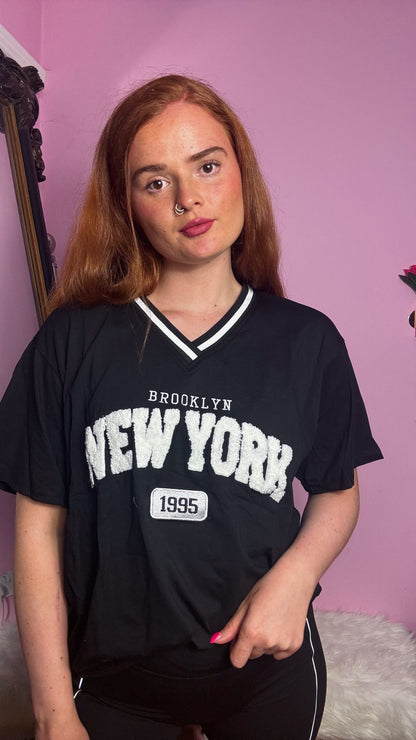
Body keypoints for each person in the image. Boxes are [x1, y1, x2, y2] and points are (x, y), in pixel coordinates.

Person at [0, 74, 382, 740]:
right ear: (127, 204)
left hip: (265, 677)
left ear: (241, 172)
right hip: (114, 685)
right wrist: (52, 710)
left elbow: (337, 491)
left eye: (207, 166)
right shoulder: (72, 340)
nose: (188, 198)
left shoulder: (307, 341)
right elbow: (37, 529)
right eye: (155, 182)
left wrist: (296, 579)